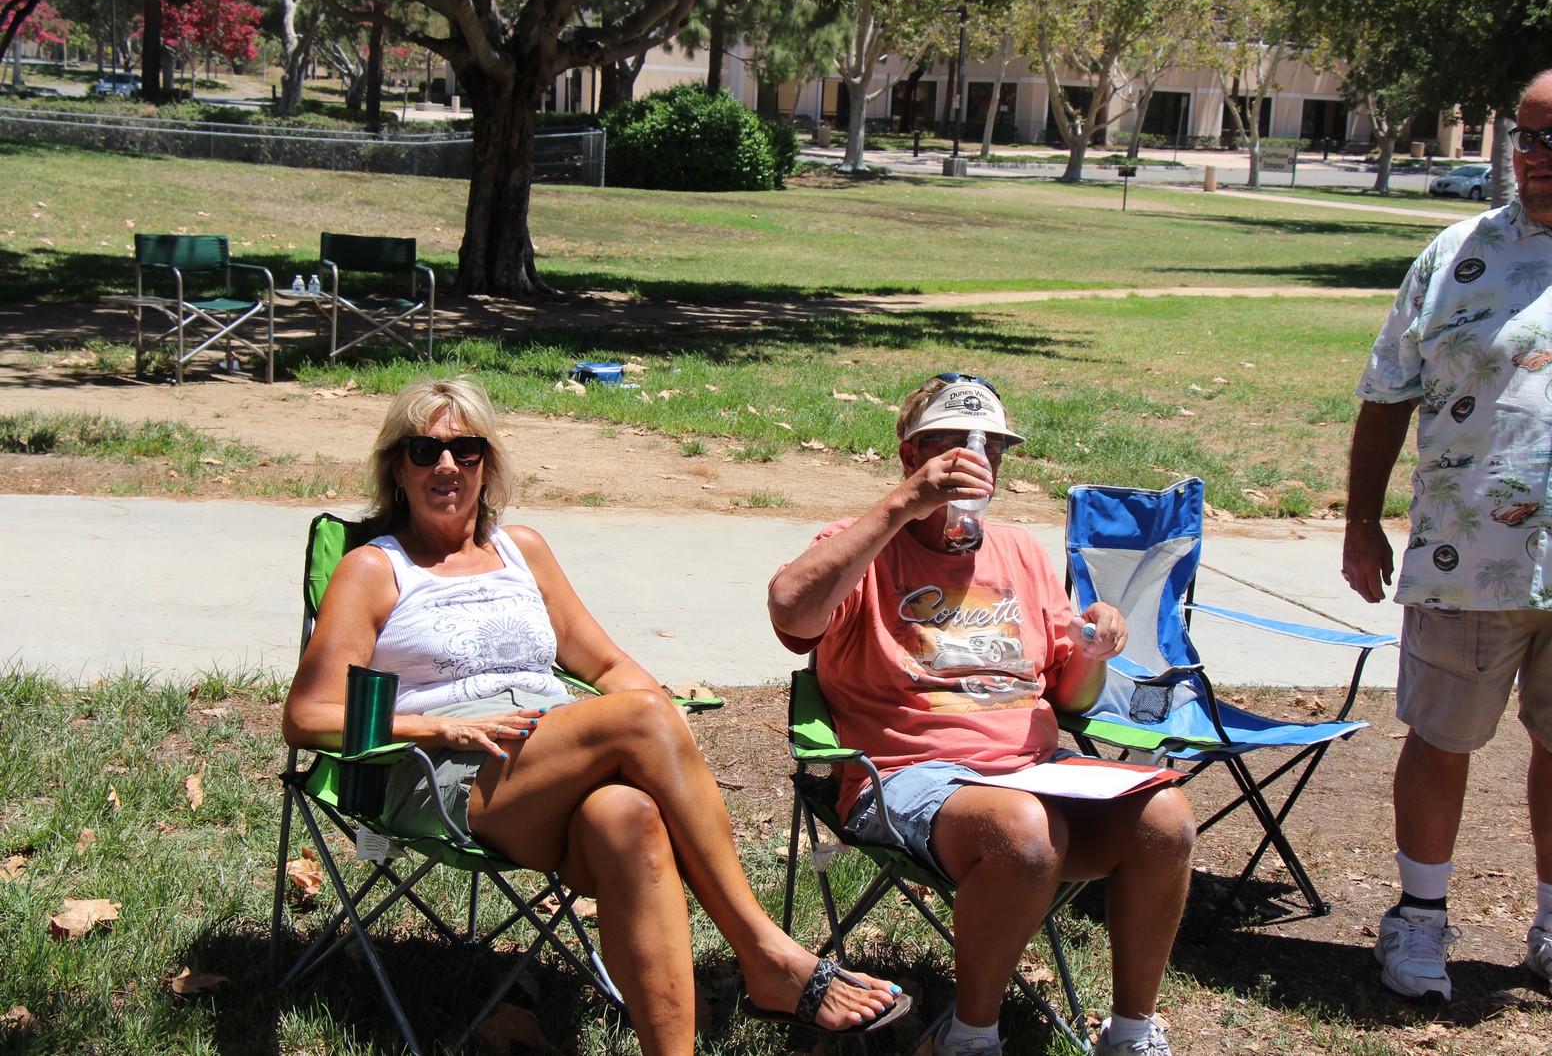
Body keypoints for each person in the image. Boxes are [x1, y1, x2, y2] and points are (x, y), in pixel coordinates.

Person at [283, 377, 910, 1056]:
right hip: (440, 774)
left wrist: (665, 723)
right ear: (396, 466)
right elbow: (310, 714)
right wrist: (437, 728)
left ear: (487, 463)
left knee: (629, 819)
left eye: (466, 449)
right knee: (639, 719)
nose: (447, 466)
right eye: (424, 449)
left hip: (551, 757)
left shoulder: (523, 550)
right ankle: (764, 953)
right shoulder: (376, 569)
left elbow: (609, 667)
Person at [767, 373, 1196, 1056]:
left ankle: (1133, 1031)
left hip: (1036, 771)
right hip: (910, 775)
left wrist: (1098, 644)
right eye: (952, 446)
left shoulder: (1021, 550)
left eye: (991, 449)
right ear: (911, 457)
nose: (977, 462)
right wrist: (902, 507)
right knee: (1021, 829)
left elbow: (1074, 698)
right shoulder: (862, 544)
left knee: (1165, 818)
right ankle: (970, 1036)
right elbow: (791, 612)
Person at [1342, 63, 1552, 1011]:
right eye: (1521, 135)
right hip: (1466, 552)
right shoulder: (1459, 254)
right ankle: (1417, 918)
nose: (1531, 155)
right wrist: (1362, 522)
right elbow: (1384, 399)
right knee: (1441, 739)